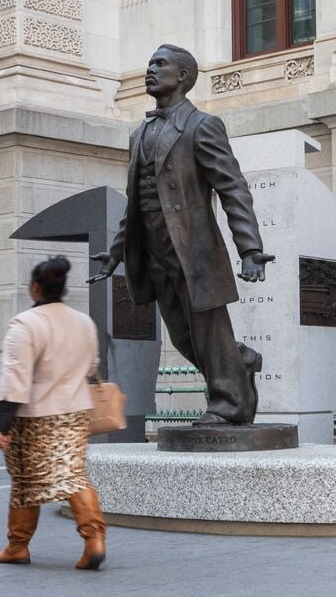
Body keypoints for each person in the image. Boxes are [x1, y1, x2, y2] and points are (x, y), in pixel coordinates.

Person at [89, 43, 273, 426]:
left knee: (208, 330)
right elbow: (135, 202)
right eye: (149, 63)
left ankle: (229, 403)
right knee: (184, 338)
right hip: (154, 251)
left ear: (183, 77)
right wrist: (117, 252)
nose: (150, 70)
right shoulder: (140, 133)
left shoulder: (202, 125)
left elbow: (232, 187)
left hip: (193, 251)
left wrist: (250, 249)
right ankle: (240, 361)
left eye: (160, 64)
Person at [0, 255, 108, 570]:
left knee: (29, 479)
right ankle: (90, 538)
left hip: (36, 415)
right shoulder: (84, 321)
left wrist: (1, 423)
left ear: (34, 287)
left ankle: (19, 545)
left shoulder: (25, 324)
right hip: (76, 410)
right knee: (71, 474)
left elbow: (16, 378)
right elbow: (92, 367)